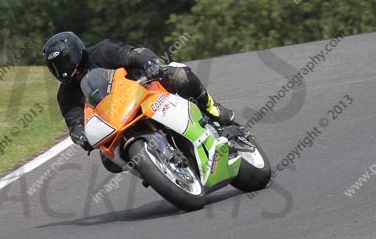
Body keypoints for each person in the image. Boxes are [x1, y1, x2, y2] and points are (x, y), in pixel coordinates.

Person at [42, 31, 235, 159]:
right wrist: (79, 135)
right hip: (118, 122)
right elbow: (74, 122)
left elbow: (134, 54)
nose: (64, 70)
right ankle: (153, 168)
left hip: (147, 90)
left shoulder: (102, 51)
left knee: (180, 76)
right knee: (108, 160)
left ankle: (212, 109)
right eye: (56, 67)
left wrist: (150, 64)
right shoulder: (65, 95)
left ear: (77, 52)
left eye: (65, 62)